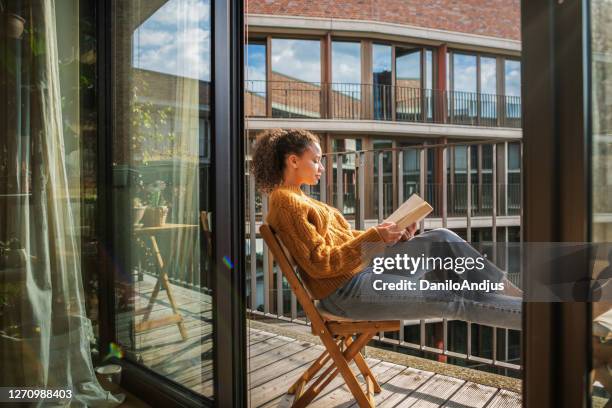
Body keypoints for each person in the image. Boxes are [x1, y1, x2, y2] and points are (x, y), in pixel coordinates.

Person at [252, 128, 522, 330]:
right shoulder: (287, 203)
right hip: (346, 292)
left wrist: (391, 234)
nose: (322, 167)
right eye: (316, 160)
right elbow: (320, 264)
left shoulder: (299, 198)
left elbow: (346, 241)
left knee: (441, 238)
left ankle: (512, 296)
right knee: (453, 298)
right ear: (293, 161)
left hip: (361, 273)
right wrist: (376, 237)